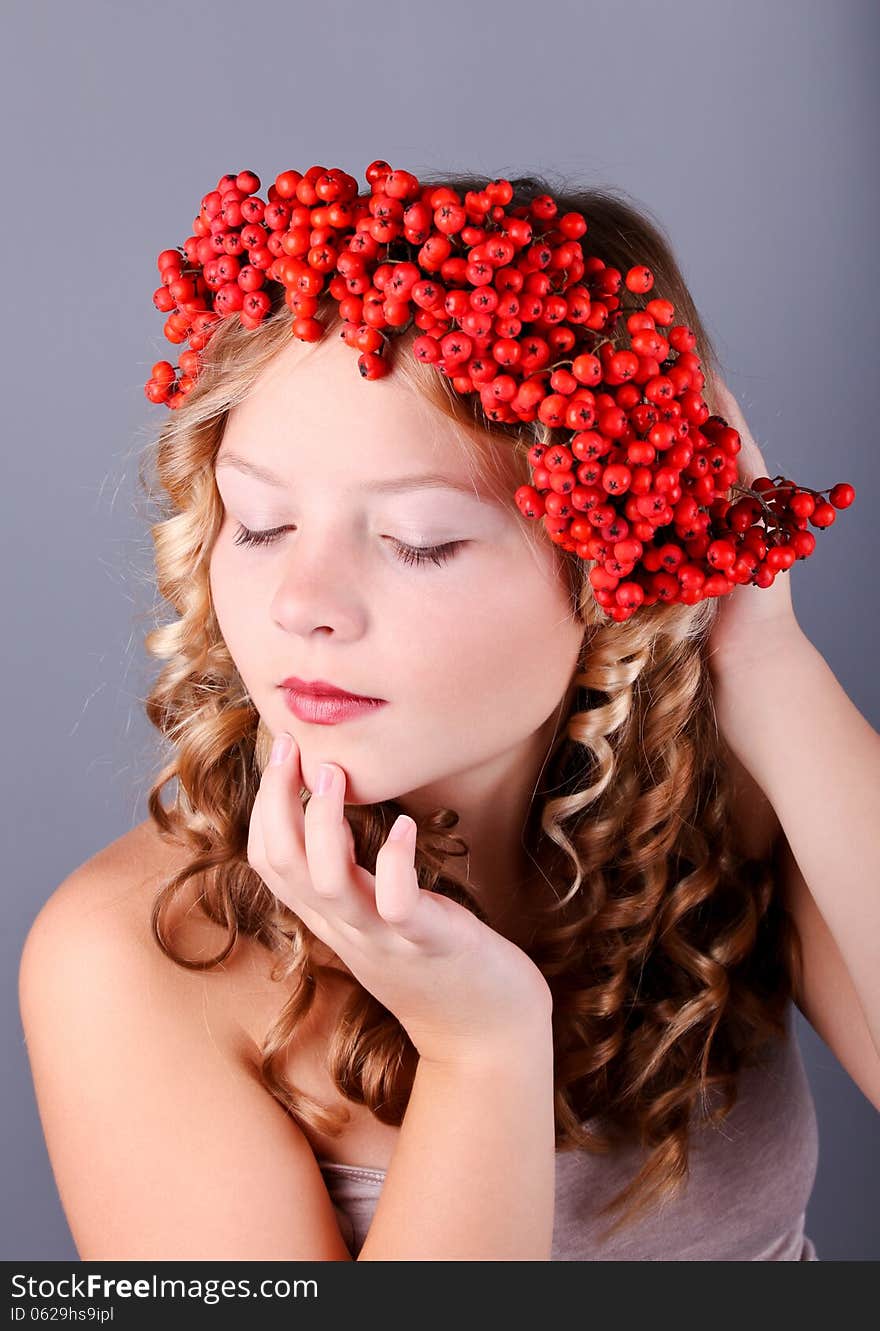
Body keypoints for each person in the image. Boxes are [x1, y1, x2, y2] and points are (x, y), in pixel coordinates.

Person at [18, 169, 879, 1261]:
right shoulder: (142, 953)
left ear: (609, 564)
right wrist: (481, 1049)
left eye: (419, 540)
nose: (301, 606)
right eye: (260, 521)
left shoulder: (730, 798)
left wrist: (765, 658)